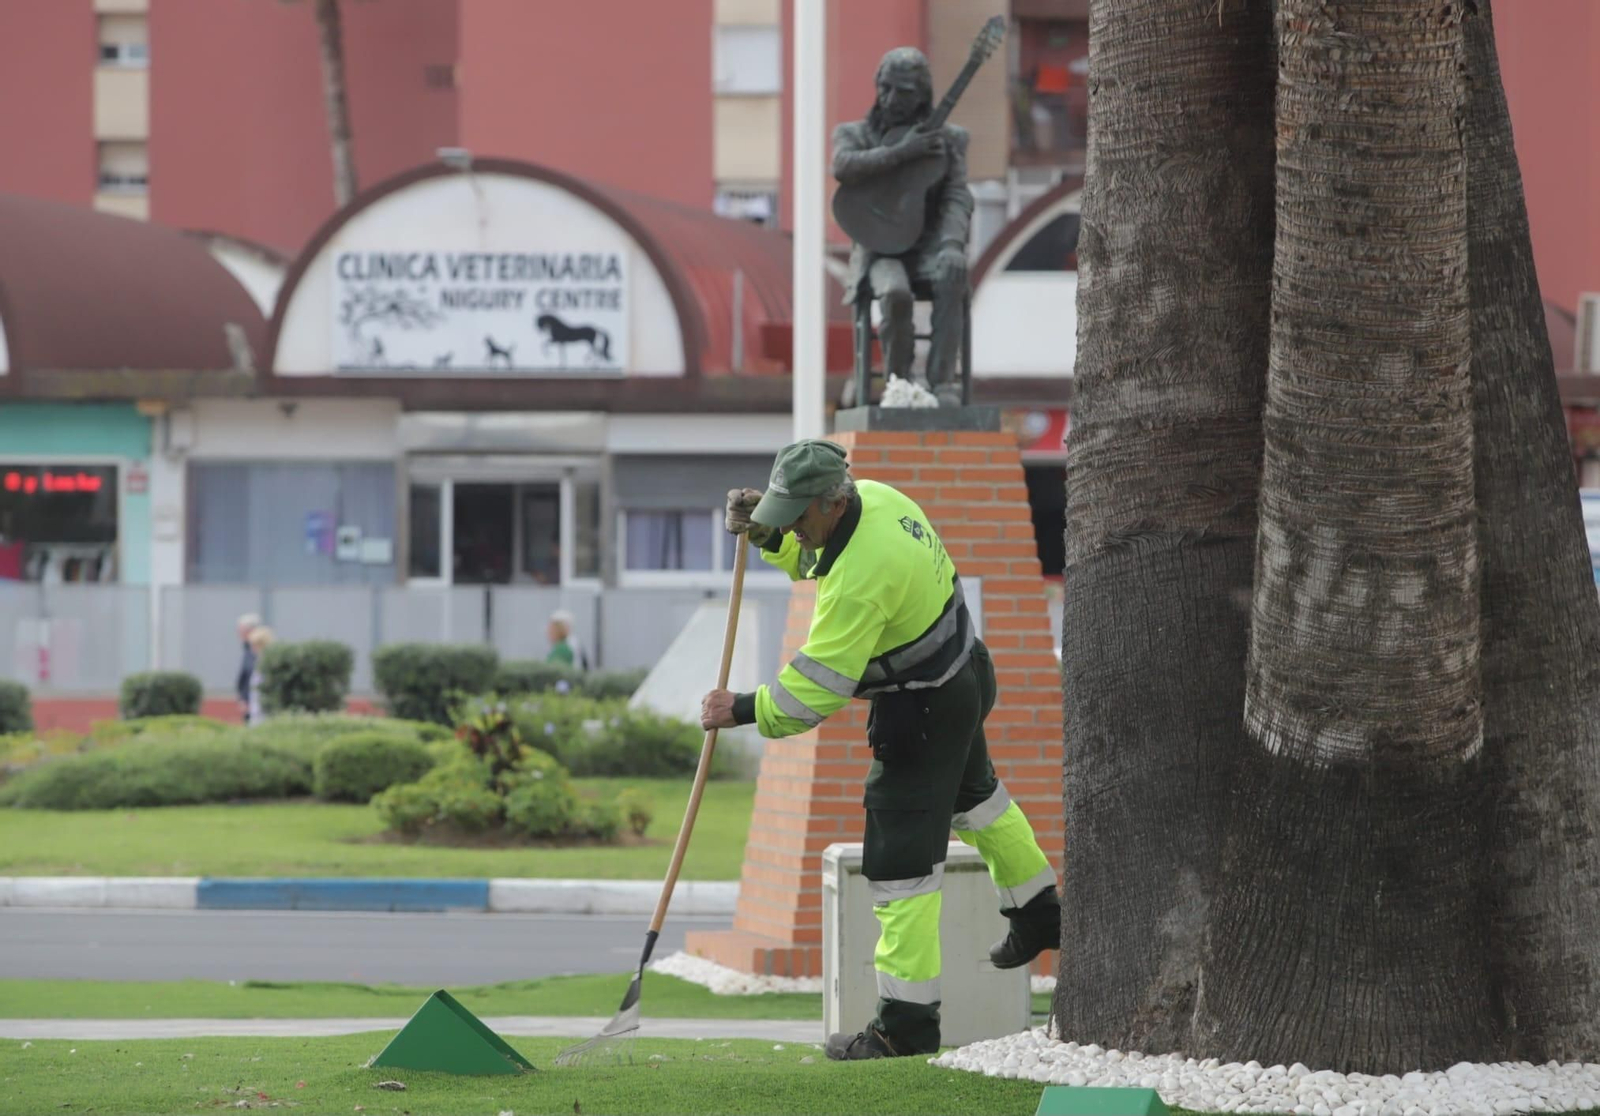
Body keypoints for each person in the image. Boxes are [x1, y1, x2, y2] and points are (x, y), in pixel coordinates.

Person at [701, 440, 1059, 1060]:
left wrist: (739, 708)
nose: (792, 525)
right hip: (964, 675)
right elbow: (816, 555)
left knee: (903, 873)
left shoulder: (861, 578)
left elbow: (812, 693)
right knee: (979, 802)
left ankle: (905, 1030)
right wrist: (768, 533)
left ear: (834, 504)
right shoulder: (881, 499)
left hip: (919, 711)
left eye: (796, 515)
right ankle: (1039, 910)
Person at [833, 46, 974, 404]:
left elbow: (956, 196)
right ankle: (899, 385)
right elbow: (843, 166)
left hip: (929, 247)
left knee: (951, 275)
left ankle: (942, 384)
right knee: (894, 294)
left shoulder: (950, 139)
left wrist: (952, 245)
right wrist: (901, 153)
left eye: (905, 91)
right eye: (885, 87)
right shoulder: (854, 134)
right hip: (880, 250)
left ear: (923, 94)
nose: (891, 99)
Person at [245, 625, 274, 725]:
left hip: (264, 713)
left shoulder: (268, 663)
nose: (252, 649)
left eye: (254, 645)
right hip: (255, 711)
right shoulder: (258, 662)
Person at [236, 612, 261, 723]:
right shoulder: (247, 650)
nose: (239, 634)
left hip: (256, 704)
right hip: (248, 703)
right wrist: (242, 699)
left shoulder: (256, 652)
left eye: (242, 631)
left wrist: (246, 700)